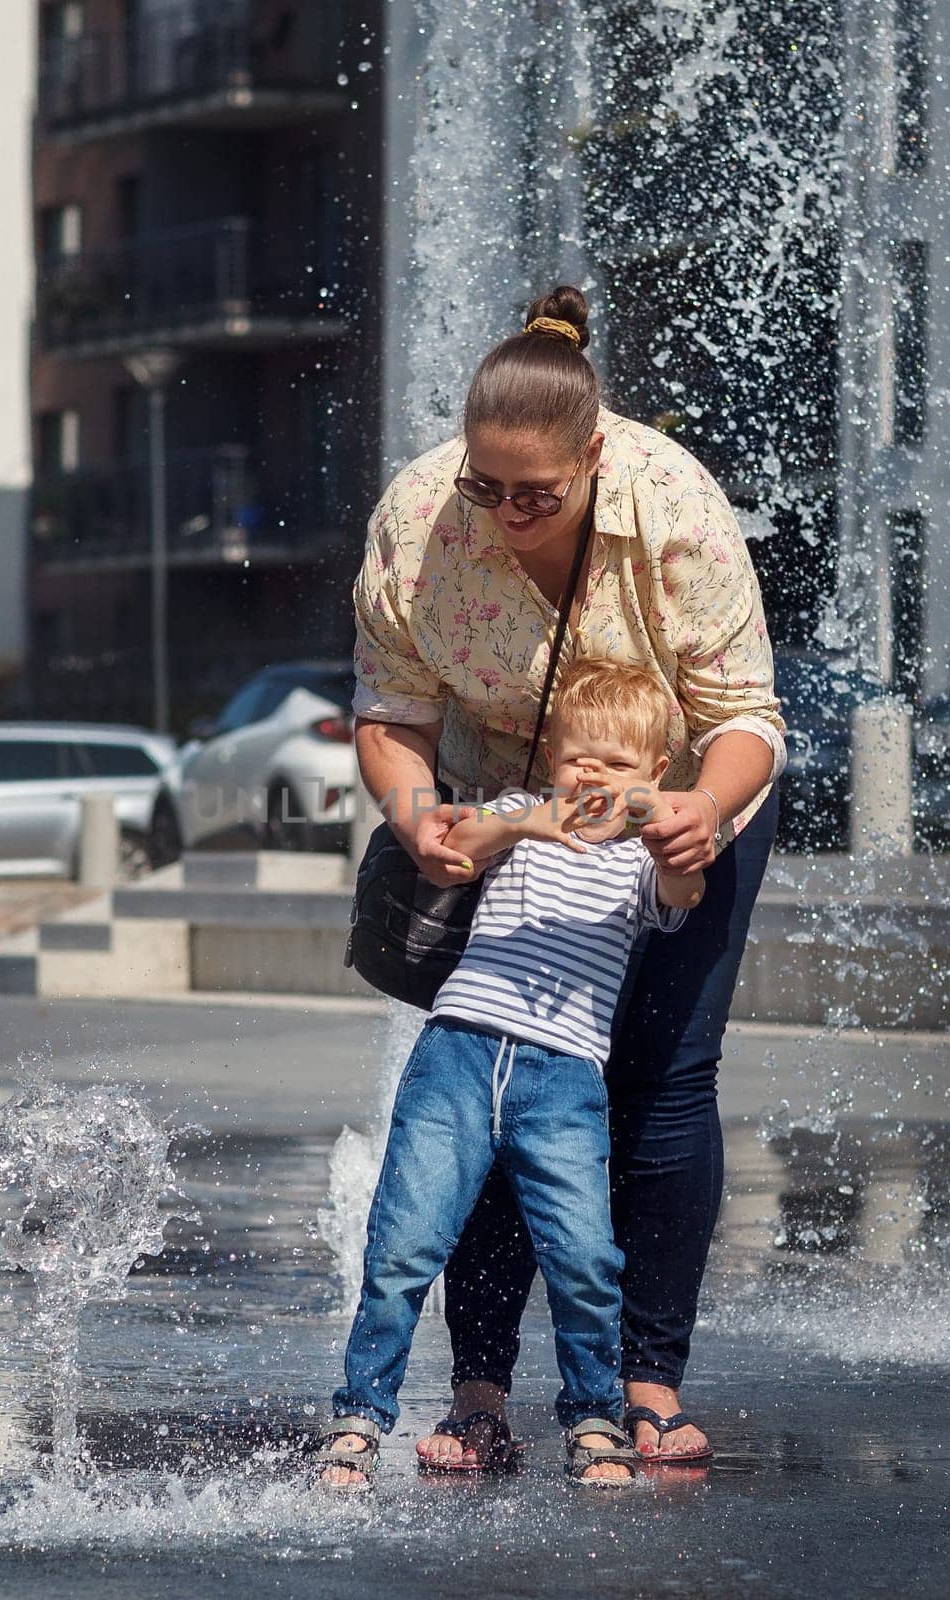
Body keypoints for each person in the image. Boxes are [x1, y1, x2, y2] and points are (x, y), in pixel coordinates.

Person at [349, 285, 786, 1468]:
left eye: (532, 495)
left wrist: (697, 808)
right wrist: (416, 817)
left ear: (594, 457)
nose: (499, 517)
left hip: (684, 801)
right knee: (502, 1069)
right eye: (483, 487)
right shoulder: (420, 518)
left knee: (660, 1078)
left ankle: (646, 1383)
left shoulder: (676, 506)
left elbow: (745, 716)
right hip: (510, 811)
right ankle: (480, 1397)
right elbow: (388, 711)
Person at [311, 661, 705, 1490]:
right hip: (457, 1050)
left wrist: (658, 822)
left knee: (584, 1255)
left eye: (616, 763)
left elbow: (684, 888)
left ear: (656, 773)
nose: (591, 775)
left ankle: (593, 1416)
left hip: (561, 1075)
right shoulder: (519, 813)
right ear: (549, 760)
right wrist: (529, 821)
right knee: (403, 1241)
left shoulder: (641, 856)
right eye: (576, 758)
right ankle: (359, 1416)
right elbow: (455, 843)